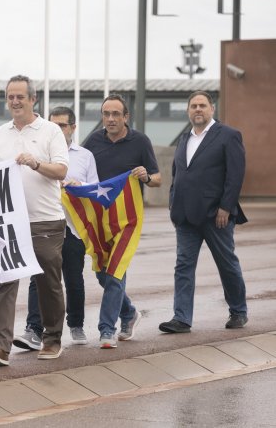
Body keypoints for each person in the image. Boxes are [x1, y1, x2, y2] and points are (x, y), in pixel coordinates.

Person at [0, 75, 69, 366]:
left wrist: (36, 163)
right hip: (9, 221)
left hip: (45, 220)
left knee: (47, 282)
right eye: (10, 97)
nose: (15, 102)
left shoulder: (51, 131)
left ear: (33, 99)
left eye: (20, 97)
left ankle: (52, 338)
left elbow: (61, 171)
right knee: (4, 279)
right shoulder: (0, 133)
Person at [160, 90, 248, 334]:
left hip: (216, 215)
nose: (197, 109)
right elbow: (178, 173)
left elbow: (235, 175)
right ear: (188, 111)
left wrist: (226, 207)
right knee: (183, 266)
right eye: (193, 106)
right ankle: (181, 318)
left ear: (212, 109)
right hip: (185, 216)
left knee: (226, 264)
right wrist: (173, 203)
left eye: (202, 105)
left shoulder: (228, 135)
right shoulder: (185, 138)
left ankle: (238, 311)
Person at [13, 106, 98, 351]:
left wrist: (79, 185)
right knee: (38, 278)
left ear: (73, 127)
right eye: (54, 124)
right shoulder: (39, 151)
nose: (58, 129)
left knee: (73, 278)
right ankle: (34, 329)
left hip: (73, 226)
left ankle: (76, 324)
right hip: (44, 223)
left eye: (62, 125)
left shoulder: (85, 156)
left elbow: (96, 188)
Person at [84, 93, 160, 348]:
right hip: (100, 218)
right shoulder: (93, 141)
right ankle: (128, 312)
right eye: (106, 114)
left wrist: (146, 176)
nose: (111, 119)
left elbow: (158, 178)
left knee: (115, 271)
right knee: (102, 273)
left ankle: (107, 330)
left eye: (116, 114)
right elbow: (80, 169)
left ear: (126, 117)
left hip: (127, 220)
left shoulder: (140, 141)